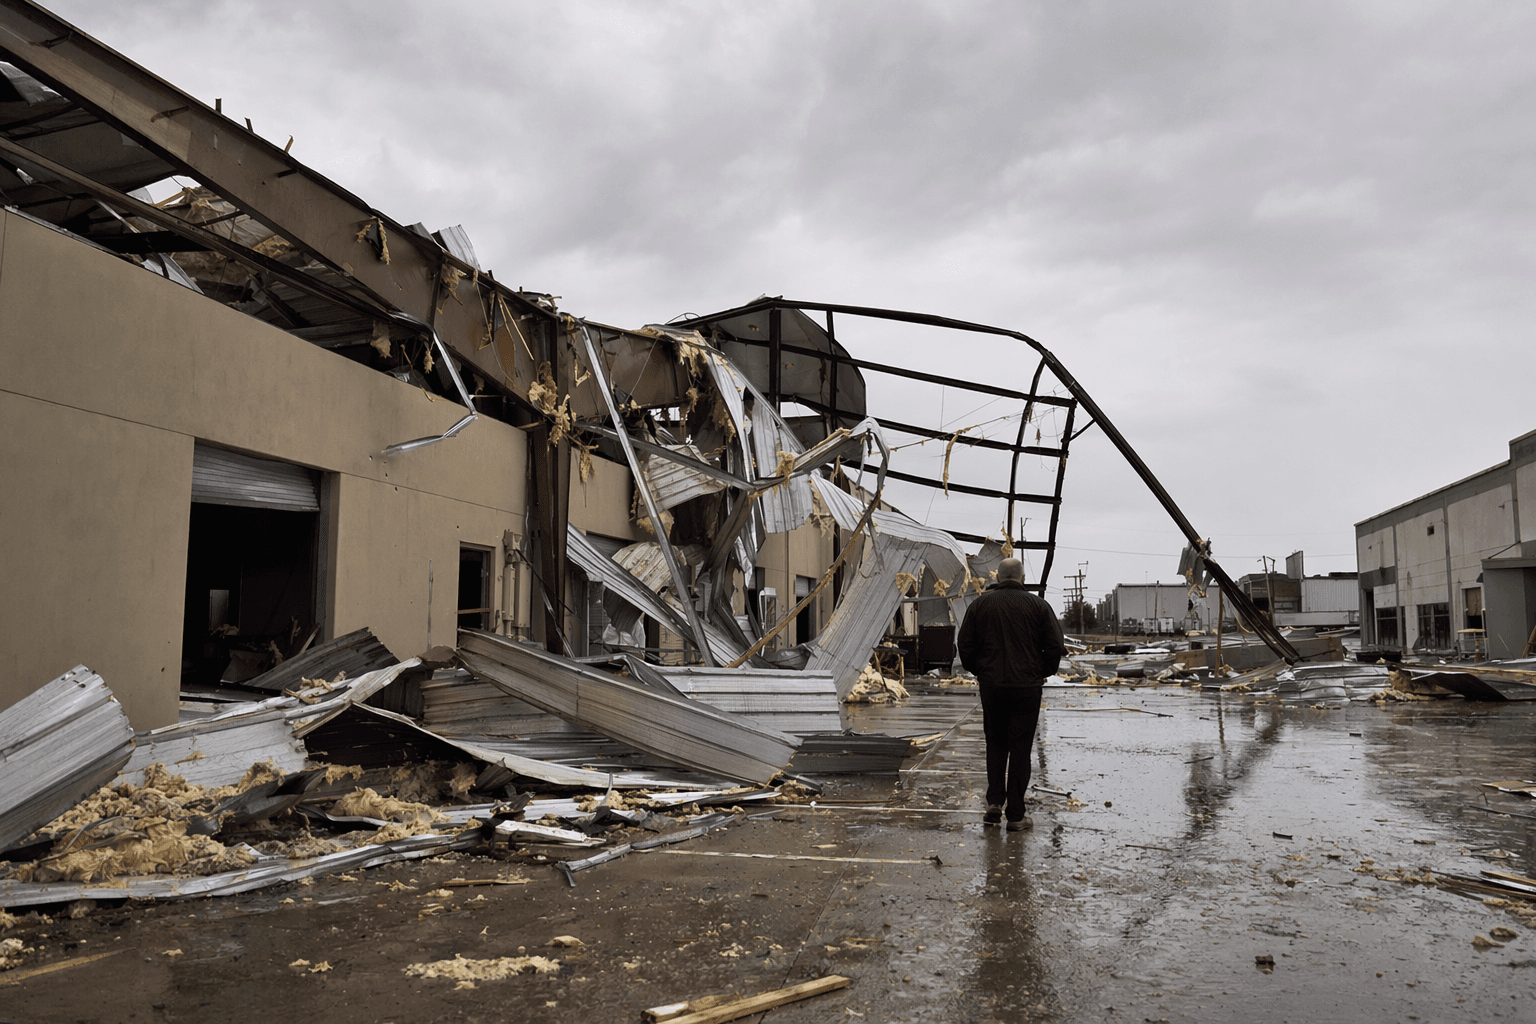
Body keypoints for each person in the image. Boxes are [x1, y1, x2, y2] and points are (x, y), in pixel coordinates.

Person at [956, 557, 1066, 831]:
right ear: (1022, 577)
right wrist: (1043, 671)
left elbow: (965, 645)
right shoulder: (1039, 606)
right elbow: (1055, 645)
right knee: (1020, 749)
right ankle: (1016, 815)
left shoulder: (980, 605)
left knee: (995, 743)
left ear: (998, 576)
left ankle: (994, 802)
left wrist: (980, 670)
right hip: (1026, 688)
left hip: (992, 686)